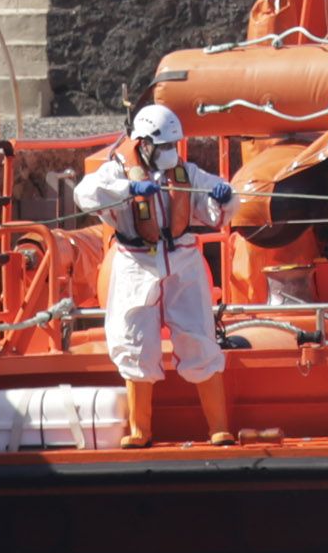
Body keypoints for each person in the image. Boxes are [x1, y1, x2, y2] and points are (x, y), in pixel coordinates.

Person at [72, 104, 236, 447]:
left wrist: (222, 198)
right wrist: (127, 191)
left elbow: (217, 202)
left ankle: (219, 427)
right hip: (135, 264)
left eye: (172, 146)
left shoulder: (185, 171)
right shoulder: (116, 171)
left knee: (199, 337)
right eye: (163, 147)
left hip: (183, 261)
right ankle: (140, 430)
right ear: (143, 143)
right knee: (135, 340)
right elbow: (85, 195)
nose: (169, 153)